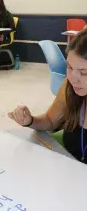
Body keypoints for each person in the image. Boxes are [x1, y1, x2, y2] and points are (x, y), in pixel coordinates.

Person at [8, 29, 87, 164]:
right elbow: (50, 121)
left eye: (84, 72)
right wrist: (30, 120)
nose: (73, 78)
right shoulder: (70, 87)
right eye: (69, 67)